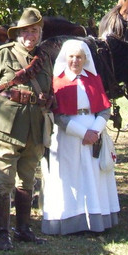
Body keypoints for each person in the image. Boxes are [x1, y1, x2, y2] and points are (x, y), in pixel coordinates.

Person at [0, 7, 53, 250]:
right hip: (5, 127)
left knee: (27, 179)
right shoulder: (2, 54)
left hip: (34, 126)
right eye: (27, 31)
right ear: (18, 33)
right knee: (4, 179)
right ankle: (2, 233)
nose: (31, 35)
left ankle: (24, 229)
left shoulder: (45, 58)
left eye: (35, 31)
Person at [41, 39, 120, 235]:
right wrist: (82, 133)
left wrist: (95, 131)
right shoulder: (57, 81)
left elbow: (104, 109)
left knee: (93, 178)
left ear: (85, 59)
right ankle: (71, 222)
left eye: (79, 57)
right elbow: (58, 115)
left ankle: (95, 220)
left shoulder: (93, 79)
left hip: (94, 135)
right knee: (70, 178)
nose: (75, 61)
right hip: (68, 138)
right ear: (65, 58)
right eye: (71, 57)